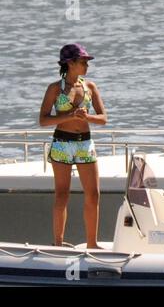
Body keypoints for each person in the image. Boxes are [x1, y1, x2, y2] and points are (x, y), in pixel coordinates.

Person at [39, 43, 107, 248]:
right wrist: (69, 116)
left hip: (84, 143)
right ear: (70, 63)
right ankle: (58, 243)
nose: (86, 65)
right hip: (62, 143)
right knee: (62, 194)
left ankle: (92, 244)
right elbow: (43, 120)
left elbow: (103, 118)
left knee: (93, 194)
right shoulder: (54, 89)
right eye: (83, 61)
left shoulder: (90, 87)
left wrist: (88, 118)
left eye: (87, 62)